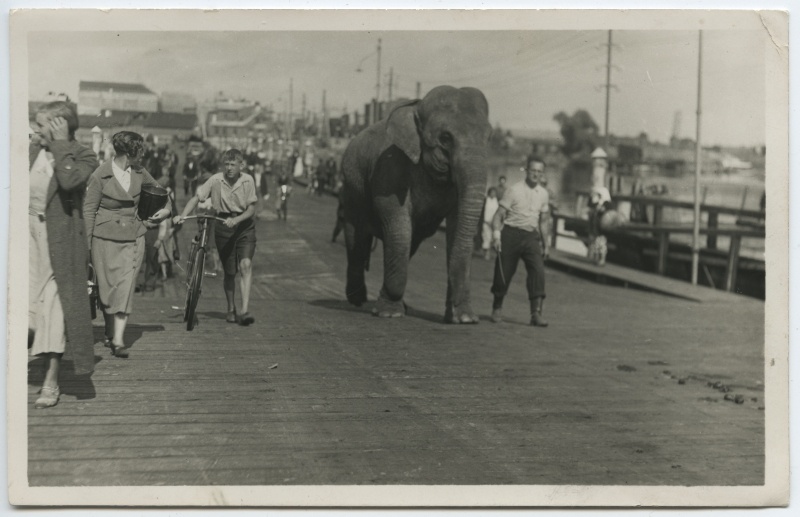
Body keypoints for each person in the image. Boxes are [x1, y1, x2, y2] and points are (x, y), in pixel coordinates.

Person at [29, 101, 98, 408]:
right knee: (28, 308)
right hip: (27, 238)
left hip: (61, 241)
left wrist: (59, 145)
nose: (35, 129)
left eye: (41, 124)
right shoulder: (30, 151)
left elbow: (69, 180)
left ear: (59, 126)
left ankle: (51, 380)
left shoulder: (84, 155)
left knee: (54, 310)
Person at [84, 131, 172, 358]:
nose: (143, 154)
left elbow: (163, 194)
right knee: (107, 290)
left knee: (124, 288)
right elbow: (89, 211)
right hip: (103, 239)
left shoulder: (141, 173)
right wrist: (86, 246)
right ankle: (110, 330)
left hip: (133, 237)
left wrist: (165, 211)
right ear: (131, 152)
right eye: (140, 150)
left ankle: (118, 340)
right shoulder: (100, 175)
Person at [174, 148, 258, 326]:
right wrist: (182, 215)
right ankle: (230, 308)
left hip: (244, 226)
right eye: (226, 164)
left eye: (233, 165)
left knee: (246, 264)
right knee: (229, 273)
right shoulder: (215, 180)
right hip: (223, 225)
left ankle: (244, 311)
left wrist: (237, 220)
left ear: (241, 165)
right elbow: (197, 198)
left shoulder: (248, 180)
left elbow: (251, 209)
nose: (229, 168)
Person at [489, 156, 550, 327]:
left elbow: (544, 221)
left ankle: (535, 313)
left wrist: (547, 245)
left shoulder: (543, 194)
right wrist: (496, 236)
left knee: (538, 271)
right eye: (533, 171)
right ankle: (497, 306)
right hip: (511, 234)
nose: (536, 174)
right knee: (503, 272)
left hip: (531, 236)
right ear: (526, 171)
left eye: (539, 171)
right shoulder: (513, 190)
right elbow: (498, 216)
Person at [480, 187, 500, 260]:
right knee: (486, 237)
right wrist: (486, 221)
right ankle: (486, 253)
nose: (493, 194)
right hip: (486, 222)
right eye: (492, 192)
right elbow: (483, 212)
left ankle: (488, 252)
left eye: (494, 192)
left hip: (493, 223)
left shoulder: (496, 201)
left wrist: (494, 221)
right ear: (489, 193)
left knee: (492, 238)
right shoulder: (485, 200)